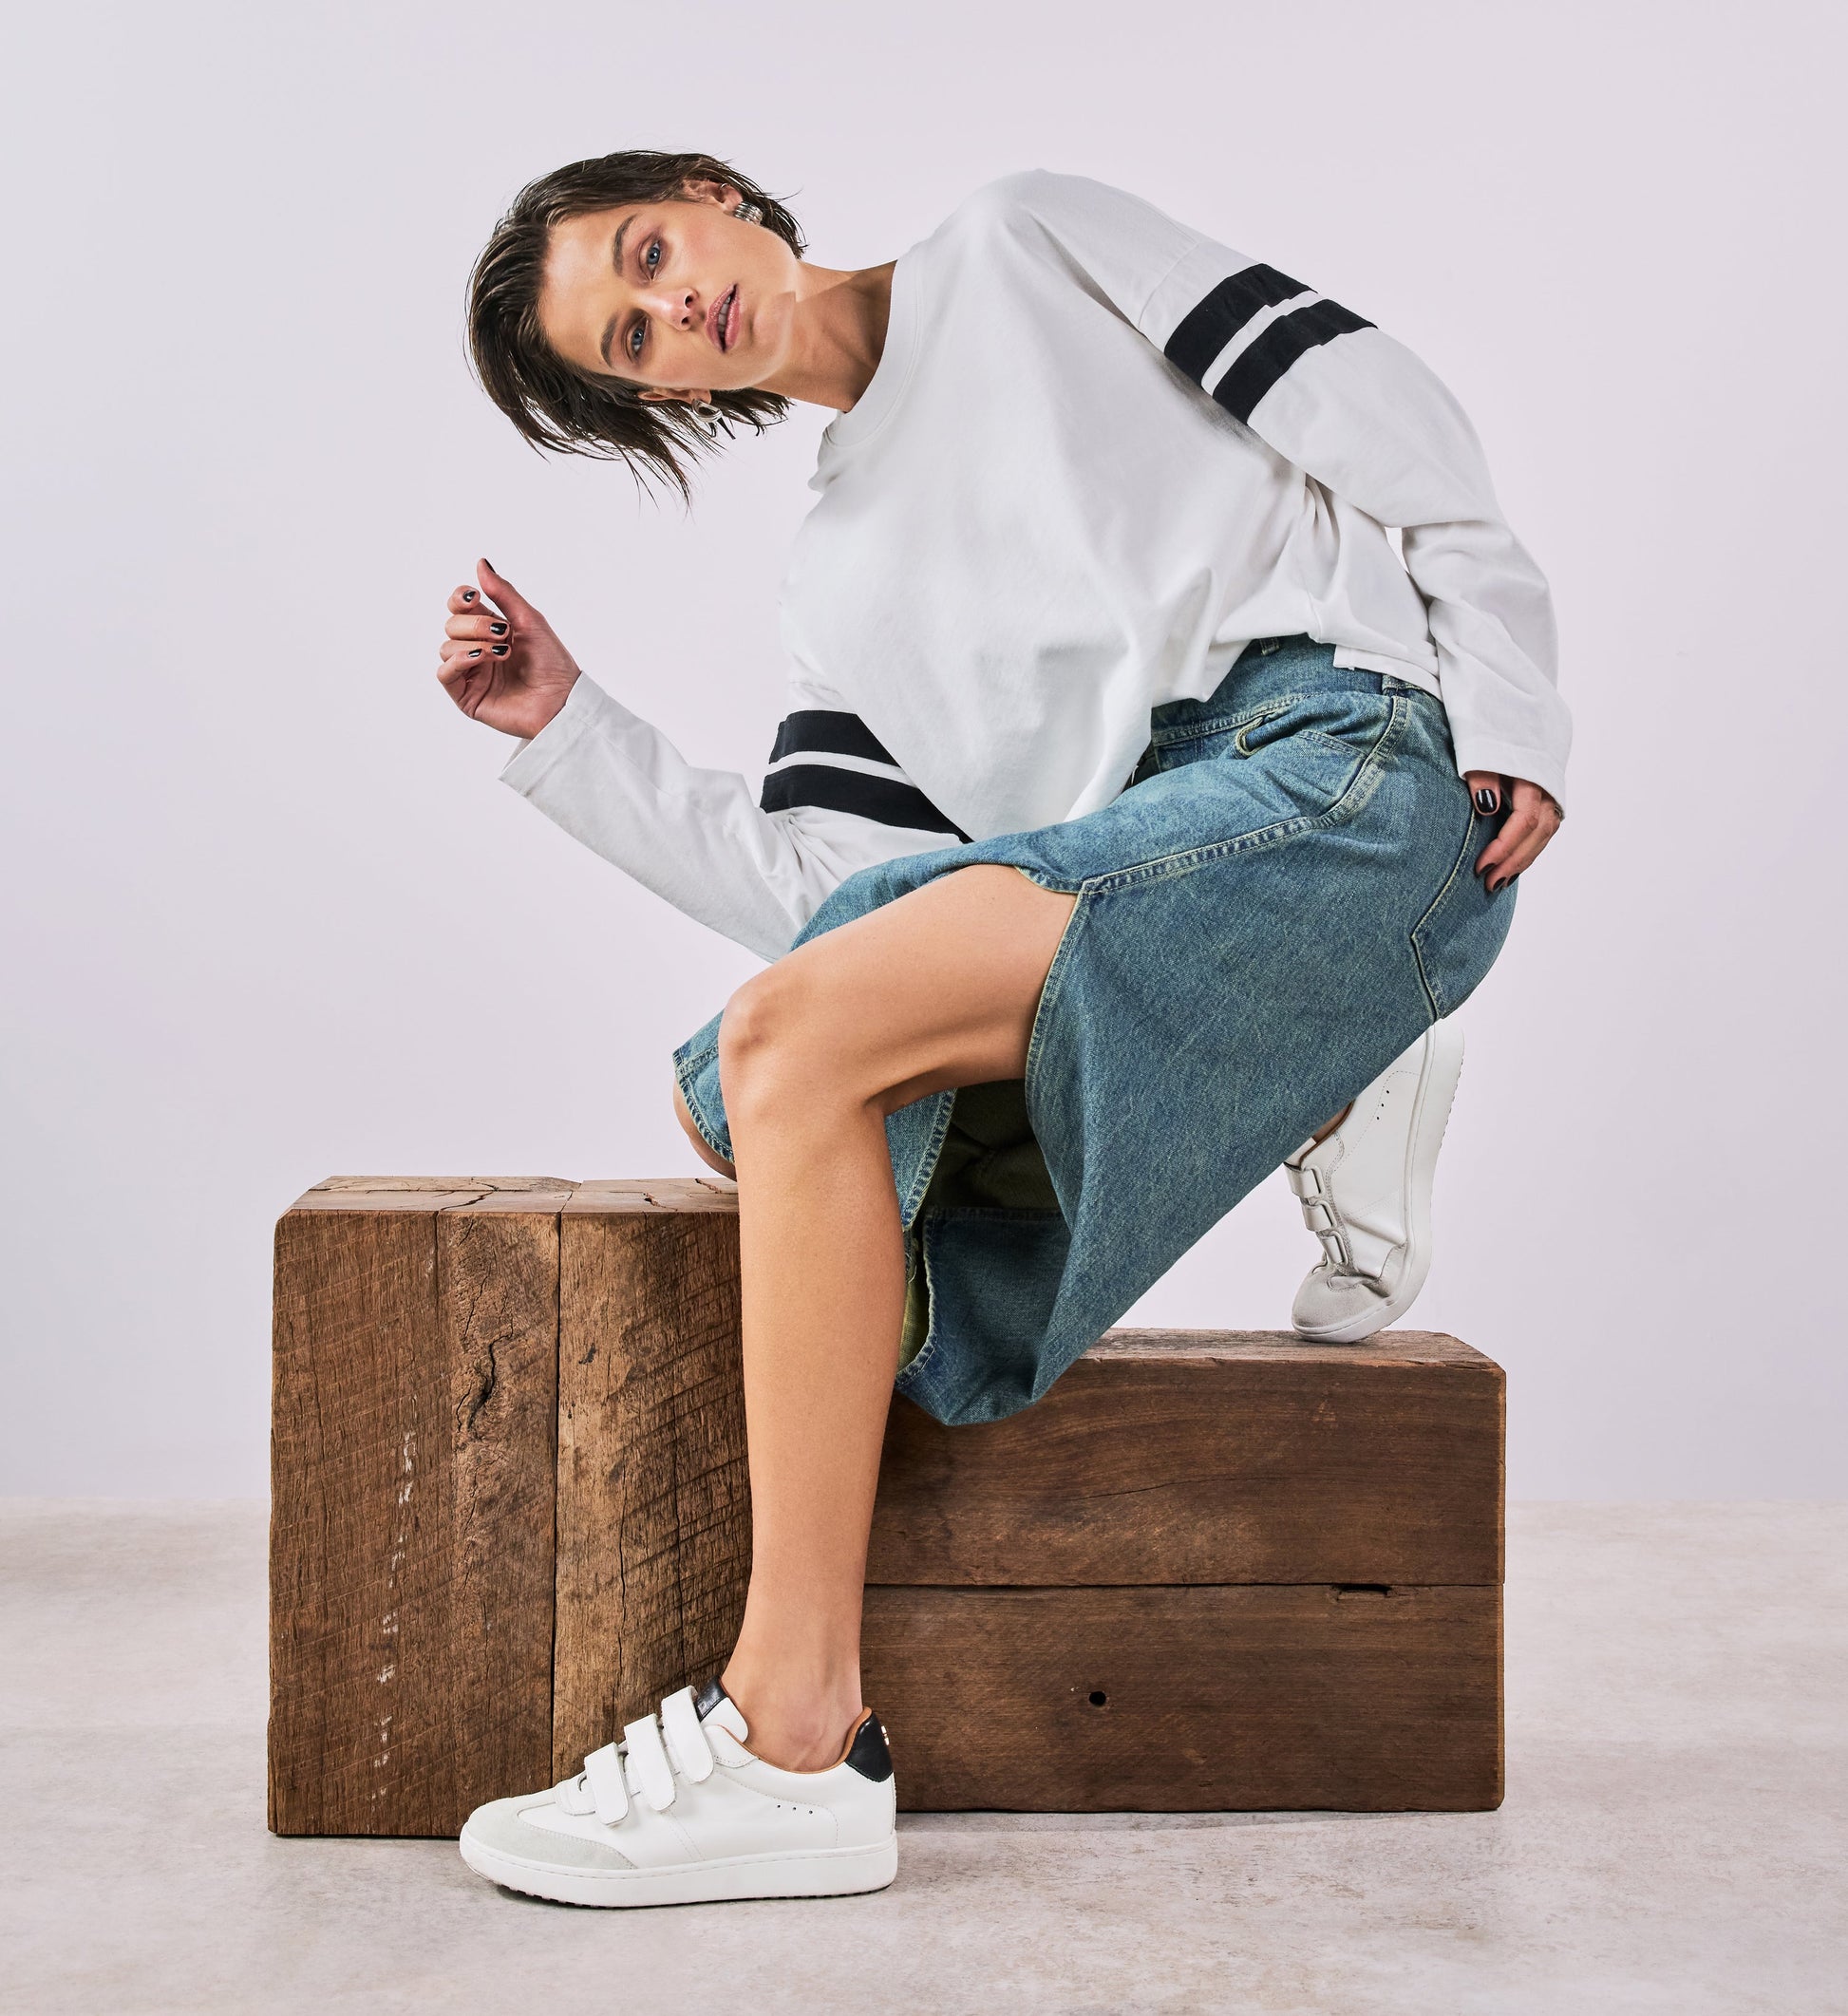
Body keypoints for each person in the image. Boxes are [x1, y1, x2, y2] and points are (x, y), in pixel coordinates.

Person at [436, 151, 1568, 1909]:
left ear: (716, 196)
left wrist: (1511, 695)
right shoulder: (840, 585)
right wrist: (570, 731)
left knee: (793, 1050)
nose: (673, 310)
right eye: (630, 341)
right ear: (657, 401)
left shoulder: (1016, 243)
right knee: (758, 1086)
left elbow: (1377, 408)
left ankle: (789, 1740)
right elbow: (835, 899)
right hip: (1170, 867)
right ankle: (1320, 1061)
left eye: (650, 255)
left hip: (1350, 769)